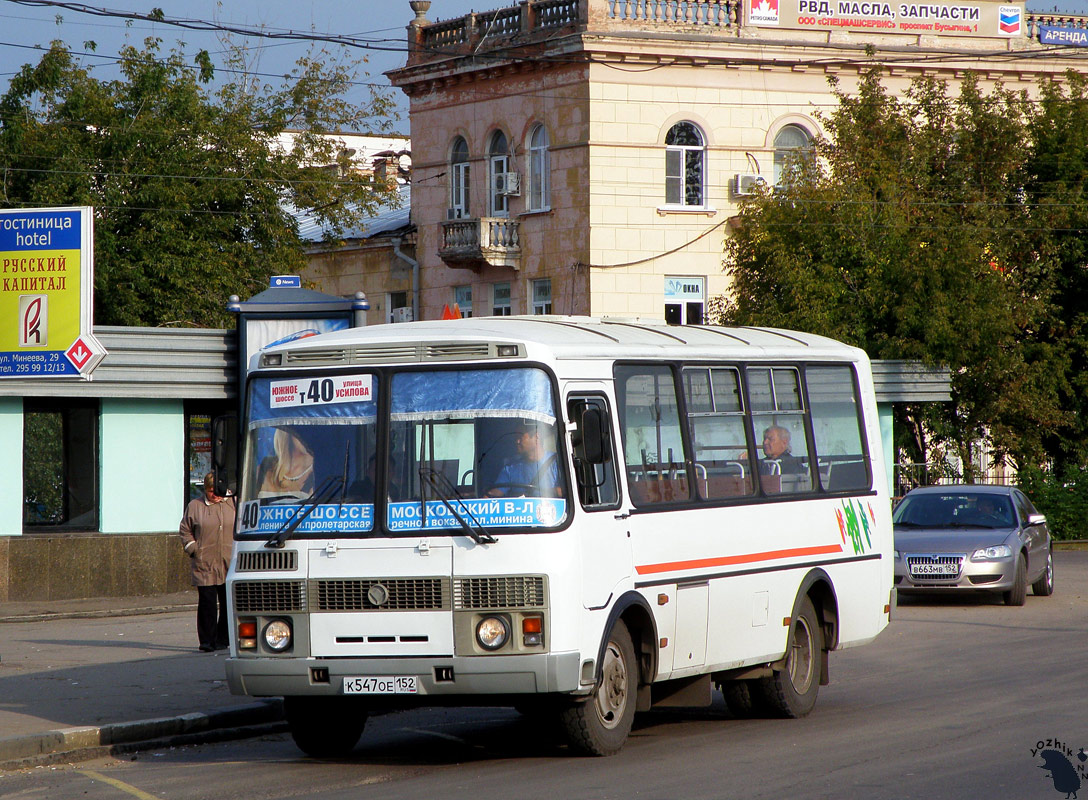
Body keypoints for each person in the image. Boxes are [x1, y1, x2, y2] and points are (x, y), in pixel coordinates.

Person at [179, 472, 236, 652]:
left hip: (228, 561)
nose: (216, 495)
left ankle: (222, 639)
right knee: (207, 603)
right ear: (205, 490)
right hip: (205, 563)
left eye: (218, 491)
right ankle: (206, 640)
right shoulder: (195, 506)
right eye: (211, 491)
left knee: (227, 602)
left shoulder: (233, 503)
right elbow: (185, 530)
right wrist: (193, 549)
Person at [488, 422, 562, 497]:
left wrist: (540, 493)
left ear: (536, 437)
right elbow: (495, 493)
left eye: (520, 437)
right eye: (516, 438)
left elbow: (565, 492)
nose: (517, 441)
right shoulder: (510, 468)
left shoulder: (557, 462)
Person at [259, 428, 315, 496]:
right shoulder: (265, 466)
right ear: (287, 432)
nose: (308, 436)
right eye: (303, 430)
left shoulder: (322, 472)